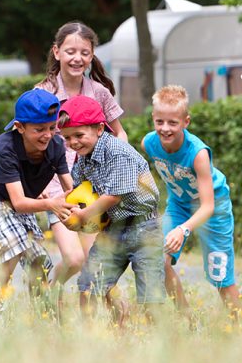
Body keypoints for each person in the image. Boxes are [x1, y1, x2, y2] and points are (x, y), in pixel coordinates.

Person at [0, 88, 76, 324]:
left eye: (51, 127)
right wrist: (50, 204)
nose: (47, 135)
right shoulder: (5, 148)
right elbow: (19, 203)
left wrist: (84, 209)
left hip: (23, 198)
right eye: (39, 130)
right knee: (12, 248)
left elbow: (70, 190)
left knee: (39, 263)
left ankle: (42, 316)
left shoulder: (56, 145)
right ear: (20, 127)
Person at [36, 21, 128, 305]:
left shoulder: (99, 92)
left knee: (95, 258)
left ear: (91, 55)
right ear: (57, 52)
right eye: (70, 51)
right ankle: (48, 291)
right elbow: (25, 138)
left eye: (84, 52)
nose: (77, 58)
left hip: (91, 187)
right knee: (74, 258)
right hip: (55, 188)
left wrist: (118, 162)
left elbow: (119, 132)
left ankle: (118, 318)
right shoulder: (43, 92)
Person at [58, 95, 165, 322]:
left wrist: (84, 215)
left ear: (98, 128)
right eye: (67, 138)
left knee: (150, 295)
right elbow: (82, 190)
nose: (74, 142)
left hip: (143, 227)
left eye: (78, 135)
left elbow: (113, 197)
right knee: (89, 286)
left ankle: (161, 340)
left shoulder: (117, 152)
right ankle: (92, 338)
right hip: (113, 229)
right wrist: (68, 206)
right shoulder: (84, 157)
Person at [141, 85, 241, 320]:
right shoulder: (149, 143)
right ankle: (187, 320)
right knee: (158, 259)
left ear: (186, 122)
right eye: (159, 121)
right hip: (179, 204)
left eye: (173, 123)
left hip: (213, 207)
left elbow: (208, 206)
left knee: (220, 274)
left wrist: (183, 229)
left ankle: (238, 326)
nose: (165, 129)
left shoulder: (198, 154)